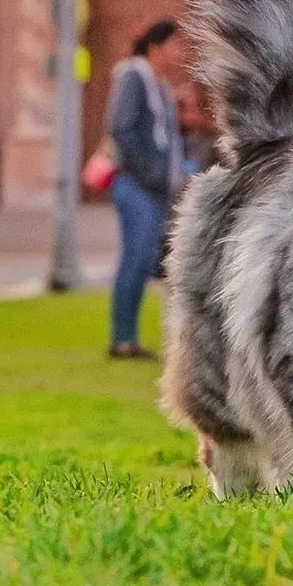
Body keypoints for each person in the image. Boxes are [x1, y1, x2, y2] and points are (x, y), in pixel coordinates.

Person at [107, 19, 185, 360]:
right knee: (135, 259)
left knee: (153, 263)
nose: (180, 53)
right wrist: (149, 173)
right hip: (136, 186)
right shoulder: (134, 77)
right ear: (156, 46)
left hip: (157, 190)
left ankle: (137, 338)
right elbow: (120, 128)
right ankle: (122, 338)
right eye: (175, 45)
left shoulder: (161, 85)